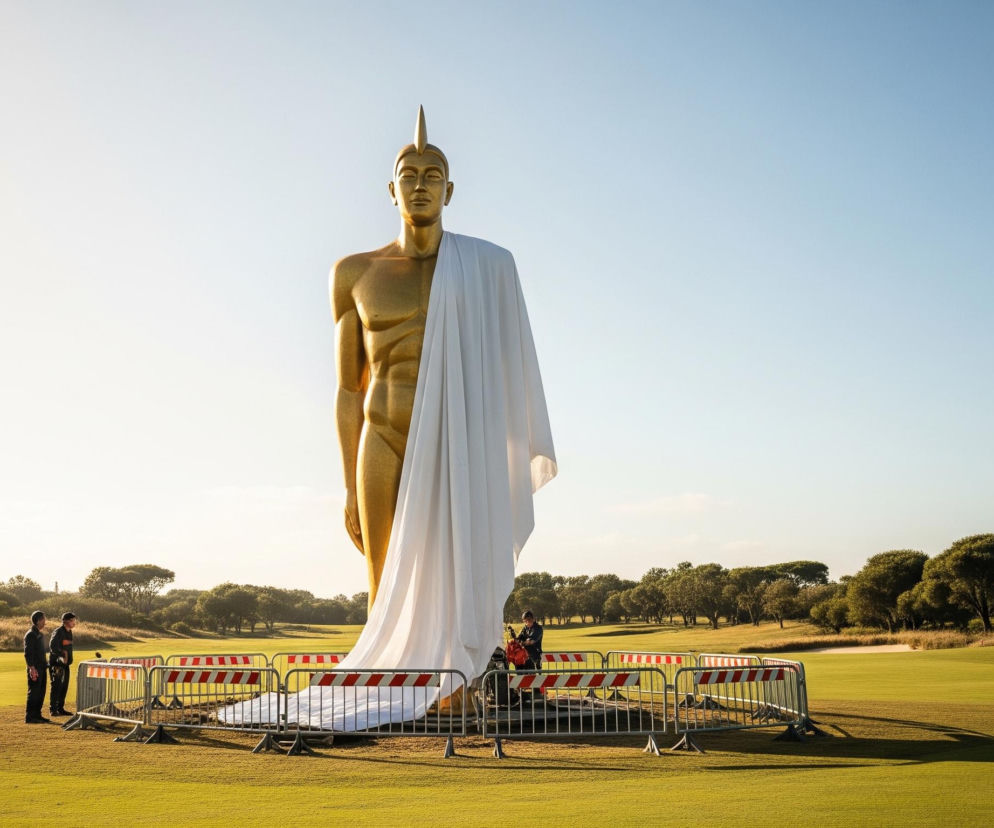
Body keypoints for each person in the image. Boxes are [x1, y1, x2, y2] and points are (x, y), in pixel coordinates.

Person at [326, 107, 556, 689]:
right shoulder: (354, 272)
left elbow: (508, 371)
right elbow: (348, 389)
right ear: (391, 188)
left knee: (460, 570)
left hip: (458, 439)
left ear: (450, 190)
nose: (421, 184)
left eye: (432, 175)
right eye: (410, 174)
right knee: (382, 577)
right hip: (382, 432)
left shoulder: (487, 267)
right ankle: (385, 679)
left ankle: (455, 682)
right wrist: (347, 486)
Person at [23, 610, 49, 724]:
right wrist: (32, 668)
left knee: (41, 692)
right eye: (44, 619)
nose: (45, 622)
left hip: (42, 667)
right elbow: (28, 653)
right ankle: (30, 716)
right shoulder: (30, 635)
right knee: (34, 692)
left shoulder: (40, 634)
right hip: (35, 668)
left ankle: (37, 715)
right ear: (38, 621)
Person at [48, 611, 76, 716]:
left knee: (64, 686)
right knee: (56, 685)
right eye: (72, 620)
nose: (74, 622)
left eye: (74, 620)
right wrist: (62, 655)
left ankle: (60, 708)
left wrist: (67, 659)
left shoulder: (69, 632)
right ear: (65, 621)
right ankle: (53, 709)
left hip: (66, 664)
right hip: (57, 664)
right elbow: (52, 646)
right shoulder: (58, 632)